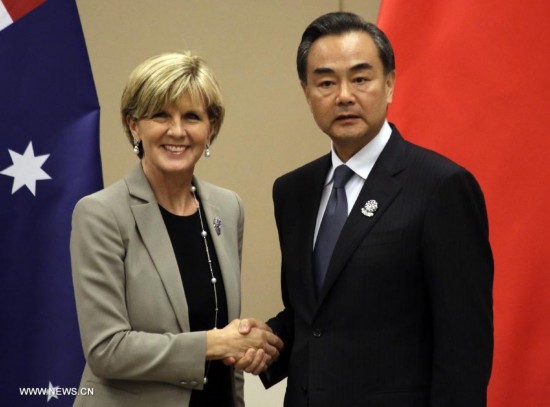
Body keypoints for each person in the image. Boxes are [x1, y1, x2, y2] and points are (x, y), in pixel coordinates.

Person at [254, 12, 493, 406]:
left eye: (360, 78)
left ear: (390, 84)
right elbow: (315, 315)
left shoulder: (440, 187)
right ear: (306, 92)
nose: (344, 95)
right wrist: (267, 342)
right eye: (326, 82)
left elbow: (464, 347)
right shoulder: (292, 191)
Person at [70, 51, 282, 407]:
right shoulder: (100, 214)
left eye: (192, 117)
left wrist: (247, 347)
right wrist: (217, 343)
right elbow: (107, 350)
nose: (178, 131)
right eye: (160, 115)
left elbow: (222, 325)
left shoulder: (227, 208)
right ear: (134, 125)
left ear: (211, 127)